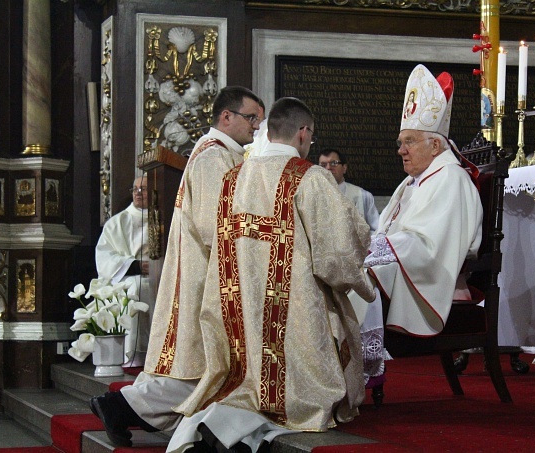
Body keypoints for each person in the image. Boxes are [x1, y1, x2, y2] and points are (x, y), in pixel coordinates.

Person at [165, 96, 375, 452]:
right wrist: (362, 282)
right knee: (297, 394)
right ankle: (233, 430)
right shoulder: (311, 178)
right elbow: (336, 256)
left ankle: (220, 428)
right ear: (304, 133)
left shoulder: (231, 179)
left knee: (244, 383)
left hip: (238, 311)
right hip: (292, 316)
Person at [90, 86, 264, 449]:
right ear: (226, 117)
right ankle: (119, 406)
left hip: (203, 271)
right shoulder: (215, 158)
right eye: (251, 118)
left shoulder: (220, 154)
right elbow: (217, 224)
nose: (256, 127)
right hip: (209, 275)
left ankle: (120, 406)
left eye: (259, 121)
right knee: (203, 366)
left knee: (202, 365)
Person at [348, 64, 483, 383]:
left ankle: (354, 377)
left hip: (435, 283)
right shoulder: (412, 182)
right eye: (401, 142)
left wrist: (373, 252)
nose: (400, 150)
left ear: (435, 145)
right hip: (403, 271)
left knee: (356, 279)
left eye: (409, 141)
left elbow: (432, 247)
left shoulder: (451, 179)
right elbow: (389, 233)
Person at [95, 175, 151, 366]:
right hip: (126, 277)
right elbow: (104, 257)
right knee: (136, 287)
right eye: (135, 189)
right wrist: (134, 265)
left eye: (143, 189)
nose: (138, 193)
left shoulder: (165, 219)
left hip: (158, 276)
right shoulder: (117, 223)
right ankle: (133, 355)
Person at [318, 148, 380, 232]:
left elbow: (377, 230)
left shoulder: (363, 196)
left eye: (334, 163)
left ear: (344, 168)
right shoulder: (311, 196)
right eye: (323, 165)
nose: (328, 168)